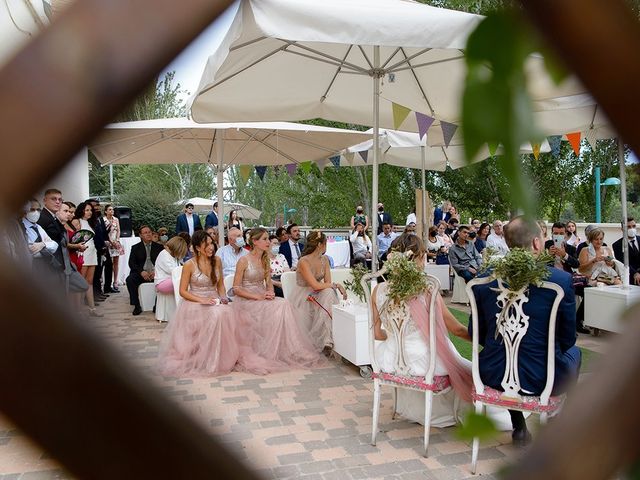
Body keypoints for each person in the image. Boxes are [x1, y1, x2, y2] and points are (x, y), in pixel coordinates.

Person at [470, 216, 581, 446]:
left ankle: (519, 427)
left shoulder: (483, 278)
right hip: (544, 378)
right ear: (536, 243)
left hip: (492, 373)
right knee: (576, 353)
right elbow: (567, 339)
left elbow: (476, 333)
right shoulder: (560, 281)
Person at [373, 233, 473, 428]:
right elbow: (457, 329)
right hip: (423, 363)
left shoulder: (378, 290)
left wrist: (394, 339)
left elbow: (377, 334)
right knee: (467, 371)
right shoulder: (428, 288)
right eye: (423, 257)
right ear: (416, 258)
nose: (425, 262)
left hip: (389, 360)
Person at [232, 228, 324, 369]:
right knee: (280, 306)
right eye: (265, 239)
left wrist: (270, 293)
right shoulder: (243, 261)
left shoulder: (265, 260)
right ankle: (285, 349)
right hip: (247, 300)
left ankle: (294, 348)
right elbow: (236, 289)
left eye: (268, 238)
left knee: (284, 304)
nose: (268, 242)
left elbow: (269, 284)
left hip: (262, 297)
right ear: (255, 242)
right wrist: (257, 296)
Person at [158, 230, 240, 376]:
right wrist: (202, 300)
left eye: (212, 244)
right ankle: (206, 358)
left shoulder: (218, 261)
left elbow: (220, 285)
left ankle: (220, 357)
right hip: (195, 302)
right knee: (217, 314)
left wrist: (223, 297)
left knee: (226, 311)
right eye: (206, 244)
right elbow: (183, 291)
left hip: (213, 300)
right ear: (197, 247)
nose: (211, 247)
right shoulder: (190, 264)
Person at [288, 231, 347, 352]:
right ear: (320, 245)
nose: (326, 246)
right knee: (328, 292)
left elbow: (327, 283)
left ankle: (327, 341)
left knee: (329, 293)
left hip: (319, 293)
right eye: (325, 243)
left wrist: (333, 286)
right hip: (304, 296)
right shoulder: (303, 261)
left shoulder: (324, 260)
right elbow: (314, 285)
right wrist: (337, 285)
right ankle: (323, 340)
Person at [72, 202, 102, 317]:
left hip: (92, 253)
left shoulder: (91, 222)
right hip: (82, 253)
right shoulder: (76, 221)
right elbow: (74, 239)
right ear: (81, 210)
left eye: (90, 210)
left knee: (89, 282)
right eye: (87, 210)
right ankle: (78, 310)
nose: (89, 212)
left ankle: (92, 308)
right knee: (81, 282)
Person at [126, 225, 164, 315]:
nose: (148, 234)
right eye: (145, 233)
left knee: (164, 280)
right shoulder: (135, 248)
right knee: (130, 280)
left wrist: (156, 271)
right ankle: (136, 305)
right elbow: (132, 263)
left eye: (149, 232)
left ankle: (157, 305)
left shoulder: (159, 247)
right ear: (141, 235)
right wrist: (141, 272)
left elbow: (163, 262)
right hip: (141, 273)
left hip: (155, 273)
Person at [24, 198, 60, 275]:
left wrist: (43, 244)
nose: (36, 212)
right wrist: (46, 249)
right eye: (32, 209)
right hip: (29, 268)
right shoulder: (21, 227)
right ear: (25, 211)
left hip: (44, 267)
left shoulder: (38, 227)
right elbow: (30, 251)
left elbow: (54, 245)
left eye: (38, 210)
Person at [37, 188, 65, 274]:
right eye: (53, 199)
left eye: (60, 200)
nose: (57, 202)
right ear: (45, 201)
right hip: (48, 265)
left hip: (57, 262)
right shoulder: (42, 217)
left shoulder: (53, 216)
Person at [612, 217, 640, 285]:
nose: (632, 229)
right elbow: (623, 262)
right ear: (622, 229)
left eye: (633, 226)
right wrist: (635, 273)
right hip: (630, 276)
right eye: (628, 227)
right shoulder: (617, 245)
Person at [104, 204, 123, 293]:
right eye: (110, 210)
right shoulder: (103, 220)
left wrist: (117, 240)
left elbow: (118, 230)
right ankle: (107, 282)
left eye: (112, 210)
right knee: (108, 263)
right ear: (105, 211)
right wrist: (110, 241)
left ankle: (115, 281)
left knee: (116, 262)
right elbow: (104, 232)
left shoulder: (116, 219)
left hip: (115, 241)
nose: (112, 211)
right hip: (108, 242)